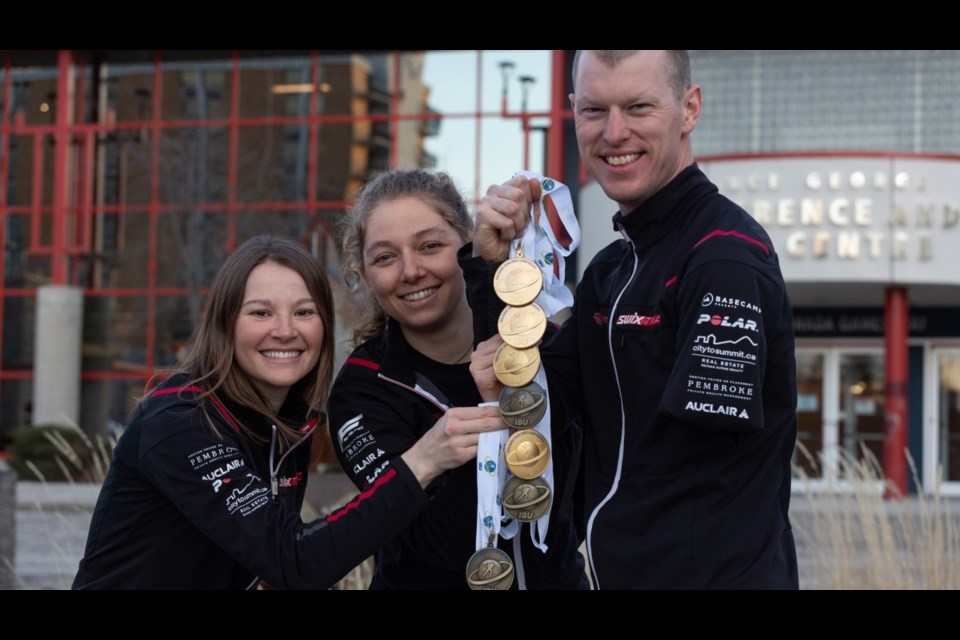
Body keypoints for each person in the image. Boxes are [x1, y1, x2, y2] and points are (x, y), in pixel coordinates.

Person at [464, 50, 799, 589]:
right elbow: (534, 399)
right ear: (573, 112)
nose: (614, 133)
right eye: (595, 110)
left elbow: (688, 473)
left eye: (638, 107)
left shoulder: (724, 258)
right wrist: (492, 265)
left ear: (689, 109)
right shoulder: (611, 271)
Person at [72, 234, 506, 589]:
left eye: (303, 312)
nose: (284, 331)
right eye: (261, 312)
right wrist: (424, 460)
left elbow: (270, 566)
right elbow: (295, 561)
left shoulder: (290, 426)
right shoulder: (181, 420)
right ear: (226, 323)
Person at [328, 169, 588, 589]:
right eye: (385, 257)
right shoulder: (362, 391)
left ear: (467, 243)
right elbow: (441, 542)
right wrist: (495, 410)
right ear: (365, 275)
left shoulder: (547, 350)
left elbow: (583, 499)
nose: (410, 271)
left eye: (430, 246)